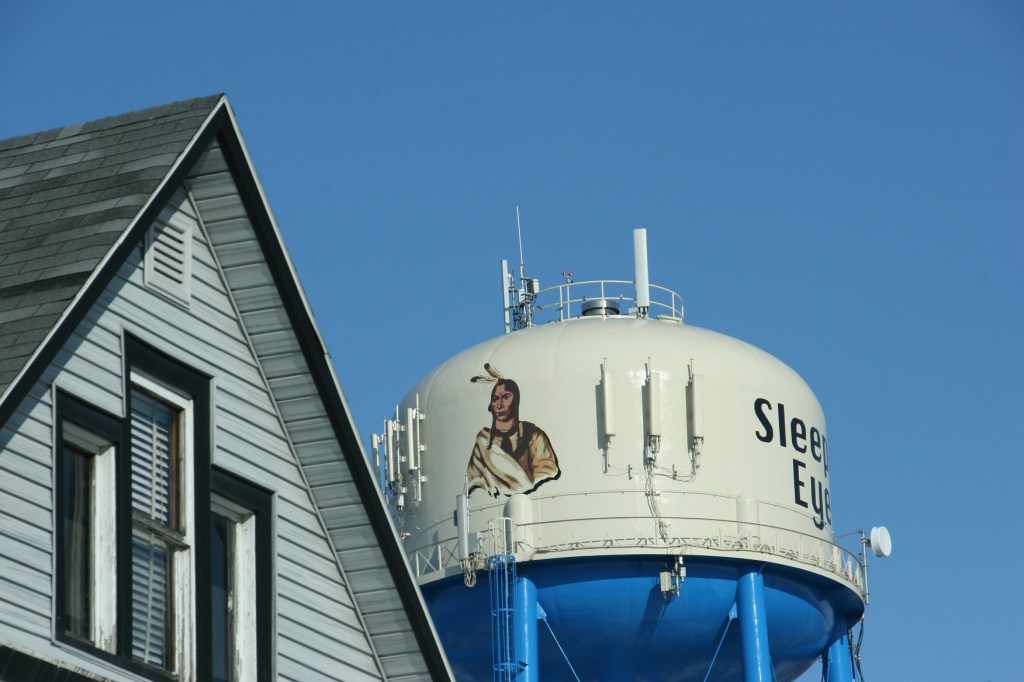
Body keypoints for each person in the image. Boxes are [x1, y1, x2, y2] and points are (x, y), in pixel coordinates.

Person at [466, 377, 560, 498]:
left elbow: (547, 473)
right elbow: (473, 482)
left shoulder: (533, 435)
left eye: (505, 397)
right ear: (491, 405)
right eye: (495, 399)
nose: (499, 405)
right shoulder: (483, 442)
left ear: (516, 400)